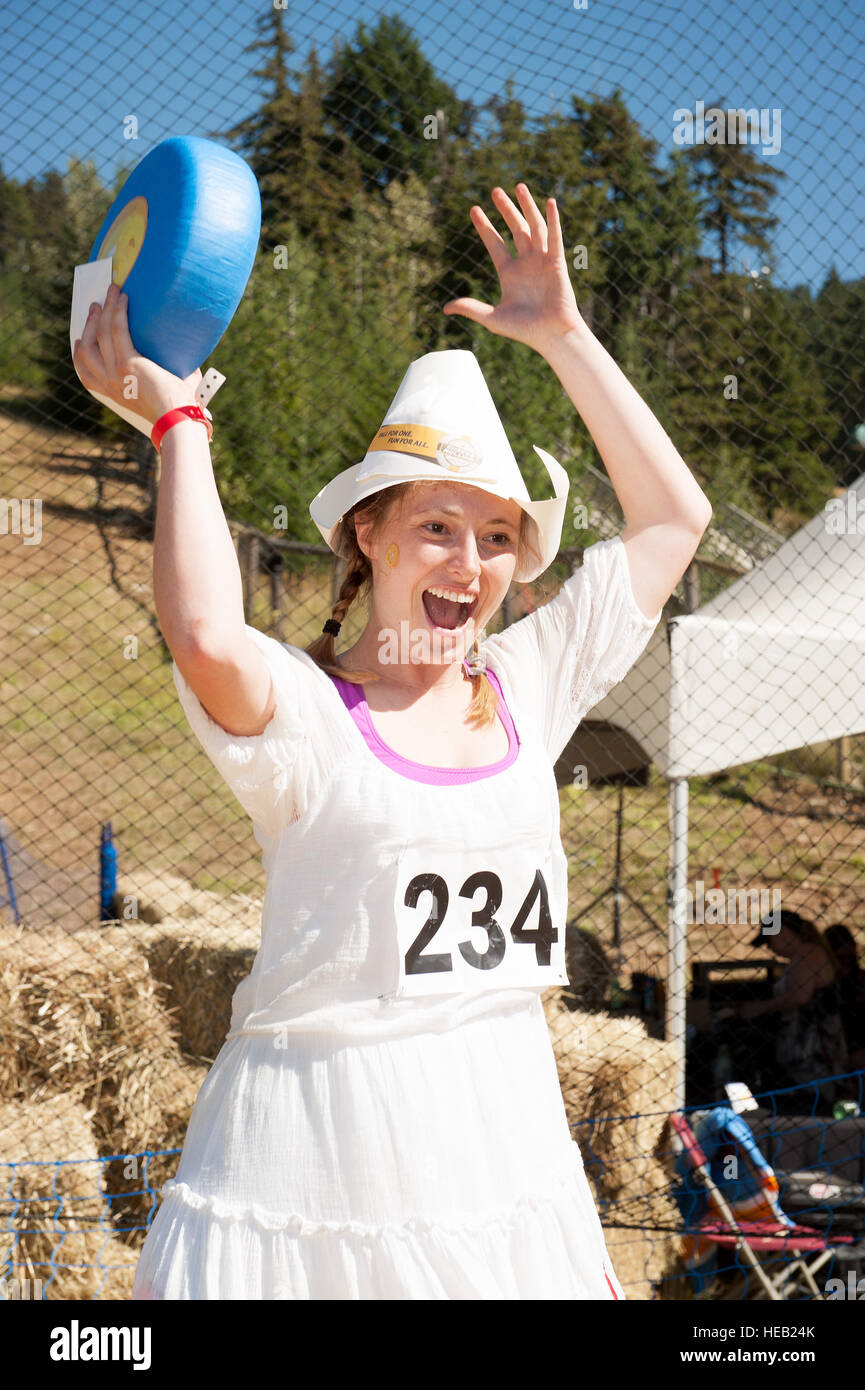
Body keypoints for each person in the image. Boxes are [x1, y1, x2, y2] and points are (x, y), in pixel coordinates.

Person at [73, 182, 712, 1299]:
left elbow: (672, 521)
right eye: (435, 526)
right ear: (365, 534)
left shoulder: (532, 680)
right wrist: (177, 423)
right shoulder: (309, 715)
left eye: (498, 534)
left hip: (506, 1168)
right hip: (314, 1177)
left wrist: (563, 335)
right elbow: (204, 627)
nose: (469, 560)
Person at [738, 909, 849, 1109]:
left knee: (816, 1105)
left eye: (769, 940)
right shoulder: (804, 955)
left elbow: (800, 996)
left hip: (815, 1053)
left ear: (781, 932)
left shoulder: (807, 953)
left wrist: (760, 1008)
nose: (770, 948)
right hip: (805, 1050)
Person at [824, 923, 865, 1072]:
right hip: (839, 1039)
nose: (845, 962)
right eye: (841, 957)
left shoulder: (860, 977)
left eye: (848, 957)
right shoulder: (827, 983)